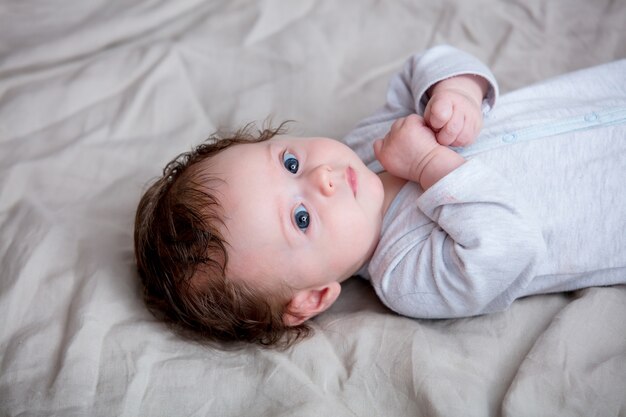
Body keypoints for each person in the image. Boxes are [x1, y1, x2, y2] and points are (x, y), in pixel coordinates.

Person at [134, 45, 626, 347]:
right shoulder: (406, 275)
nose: (323, 176)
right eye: (302, 218)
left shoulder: (366, 144)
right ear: (313, 297)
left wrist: (456, 91)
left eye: (290, 163)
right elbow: (512, 246)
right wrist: (429, 165)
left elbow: (422, 66)